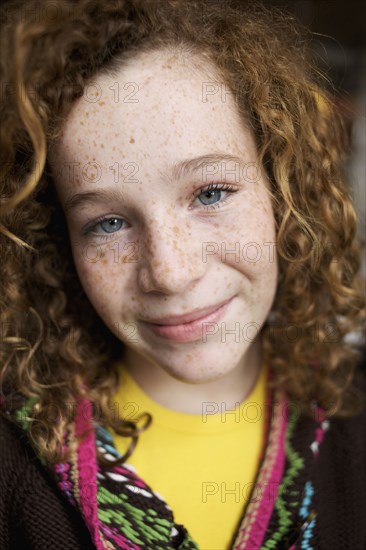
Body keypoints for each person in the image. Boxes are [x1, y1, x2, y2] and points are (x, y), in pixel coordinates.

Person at [0, 1, 365, 549]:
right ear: (58, 245)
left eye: (211, 193)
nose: (170, 273)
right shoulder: (13, 470)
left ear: (282, 190)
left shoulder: (355, 422)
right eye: (109, 223)